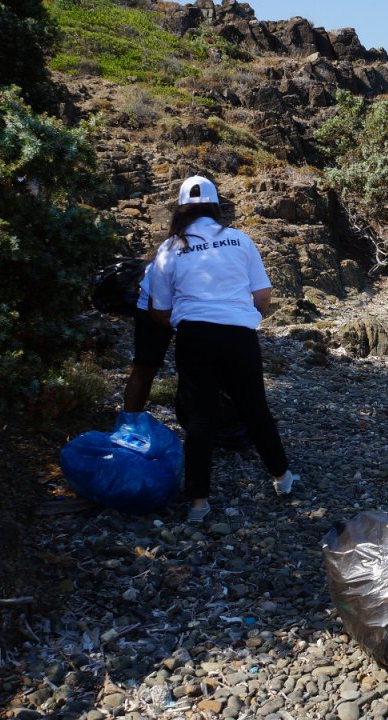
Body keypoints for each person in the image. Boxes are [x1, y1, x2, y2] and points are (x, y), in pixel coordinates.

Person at [148, 175, 297, 523]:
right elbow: (262, 297)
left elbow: (159, 306)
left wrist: (182, 323)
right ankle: (282, 478)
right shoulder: (240, 240)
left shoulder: (170, 248)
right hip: (238, 336)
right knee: (255, 408)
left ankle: (198, 504)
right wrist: (242, 318)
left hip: (194, 337)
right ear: (216, 206)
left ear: (181, 207)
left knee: (200, 418)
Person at [122, 261, 173, 412]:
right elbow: (155, 308)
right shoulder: (170, 250)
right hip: (153, 310)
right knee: (145, 367)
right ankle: (130, 423)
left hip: (186, 308)